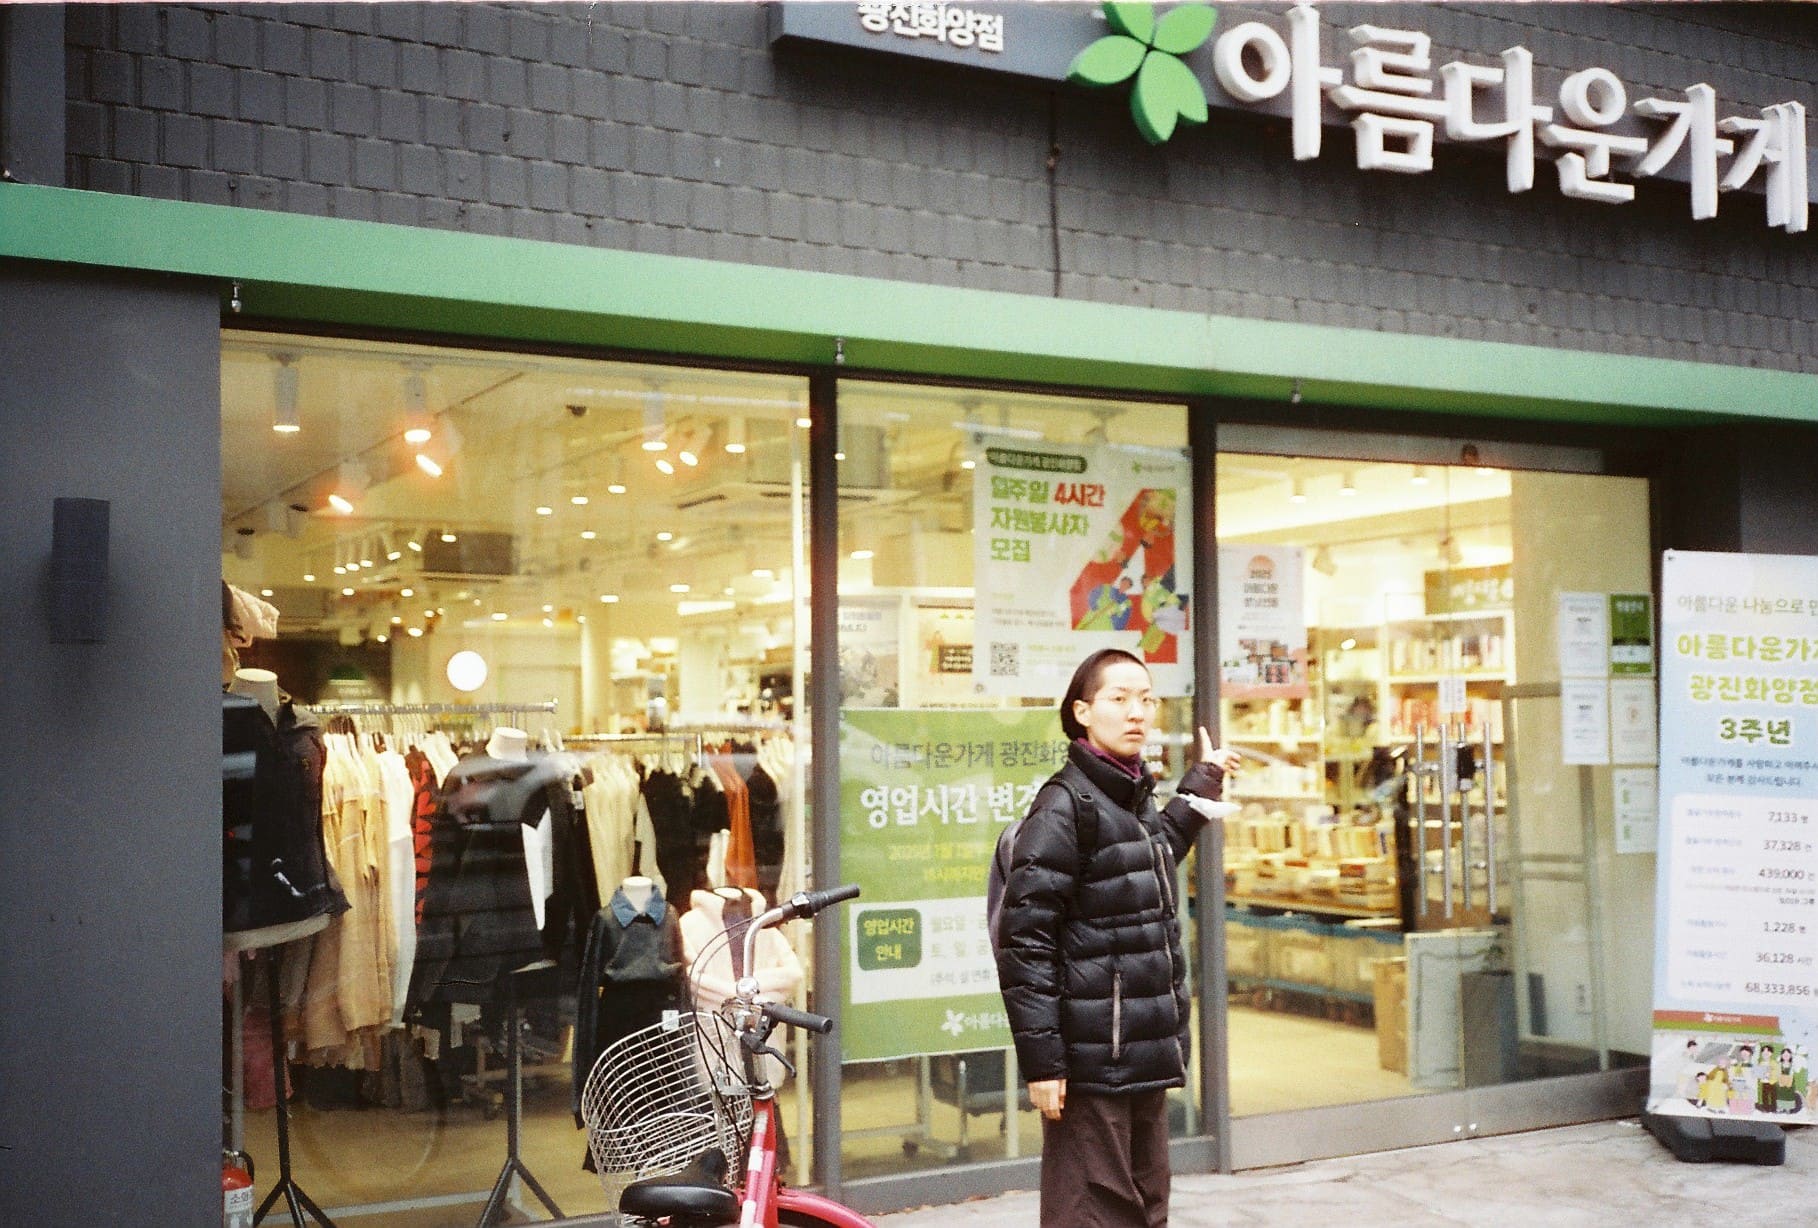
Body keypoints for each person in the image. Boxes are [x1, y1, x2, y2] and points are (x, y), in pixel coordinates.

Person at [996, 647, 1240, 1227]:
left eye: (1147, 699)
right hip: (1092, 1060)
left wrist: (1202, 783)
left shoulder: (1127, 793)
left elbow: (1147, 857)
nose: (1138, 712)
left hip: (1140, 1047)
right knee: (1094, 1212)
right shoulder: (1064, 805)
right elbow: (1025, 941)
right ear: (1082, 712)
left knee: (1145, 1208)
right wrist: (1044, 1065)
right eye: (1120, 698)